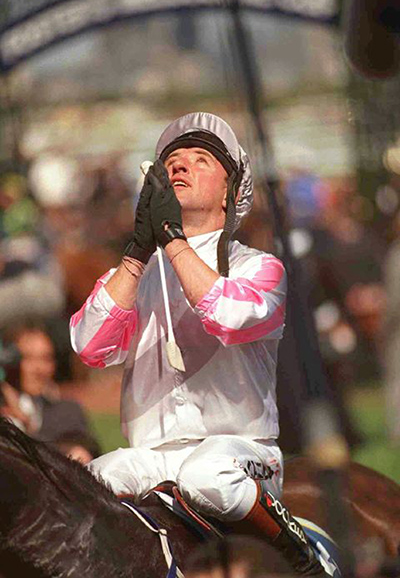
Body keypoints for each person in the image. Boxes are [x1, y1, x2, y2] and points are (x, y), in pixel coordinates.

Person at [70, 112, 323, 574]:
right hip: (152, 454)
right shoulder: (134, 272)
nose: (180, 167)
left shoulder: (259, 267)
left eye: (200, 159)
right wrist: (137, 251)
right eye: (172, 162)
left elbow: (229, 316)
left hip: (242, 452)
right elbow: (90, 347)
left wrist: (172, 240)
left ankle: (301, 556)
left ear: (229, 192)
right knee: (87, 485)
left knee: (207, 476)